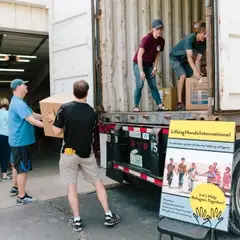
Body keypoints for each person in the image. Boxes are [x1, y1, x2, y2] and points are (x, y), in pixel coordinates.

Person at [48, 80, 120, 232]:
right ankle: (108, 215)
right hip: (86, 154)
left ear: (73, 92)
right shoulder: (92, 112)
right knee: (98, 182)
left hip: (69, 153)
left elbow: (55, 131)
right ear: (87, 93)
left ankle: (77, 220)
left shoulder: (64, 108)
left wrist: (58, 122)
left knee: (71, 186)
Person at [8, 79, 44, 205]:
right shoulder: (18, 103)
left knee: (22, 168)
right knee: (22, 170)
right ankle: (21, 197)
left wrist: (47, 117)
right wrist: (49, 126)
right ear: (18, 87)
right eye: (24, 84)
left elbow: (33, 114)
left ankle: (20, 192)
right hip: (20, 142)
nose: (26, 86)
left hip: (21, 142)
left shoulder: (20, 102)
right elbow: (31, 120)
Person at [169, 20, 206, 110]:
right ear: (199, 32)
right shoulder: (190, 38)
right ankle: (179, 102)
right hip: (176, 57)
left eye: (206, 34)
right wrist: (196, 70)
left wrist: (198, 72)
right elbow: (190, 58)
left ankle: (191, 101)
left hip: (185, 59)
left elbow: (197, 60)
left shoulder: (203, 43)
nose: (205, 36)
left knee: (195, 75)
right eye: (204, 33)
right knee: (183, 75)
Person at [132, 19, 168, 112]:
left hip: (149, 65)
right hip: (139, 63)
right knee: (140, 84)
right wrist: (141, 71)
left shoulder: (161, 41)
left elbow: (157, 55)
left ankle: (160, 105)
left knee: (153, 85)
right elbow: (139, 55)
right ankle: (135, 106)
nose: (159, 31)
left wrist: (155, 68)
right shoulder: (147, 39)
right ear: (153, 29)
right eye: (157, 29)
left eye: (161, 28)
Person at [0, 97, 12, 181]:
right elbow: (11, 125)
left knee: (1, 155)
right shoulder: (7, 113)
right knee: (5, 156)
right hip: (5, 136)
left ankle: (4, 172)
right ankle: (4, 175)